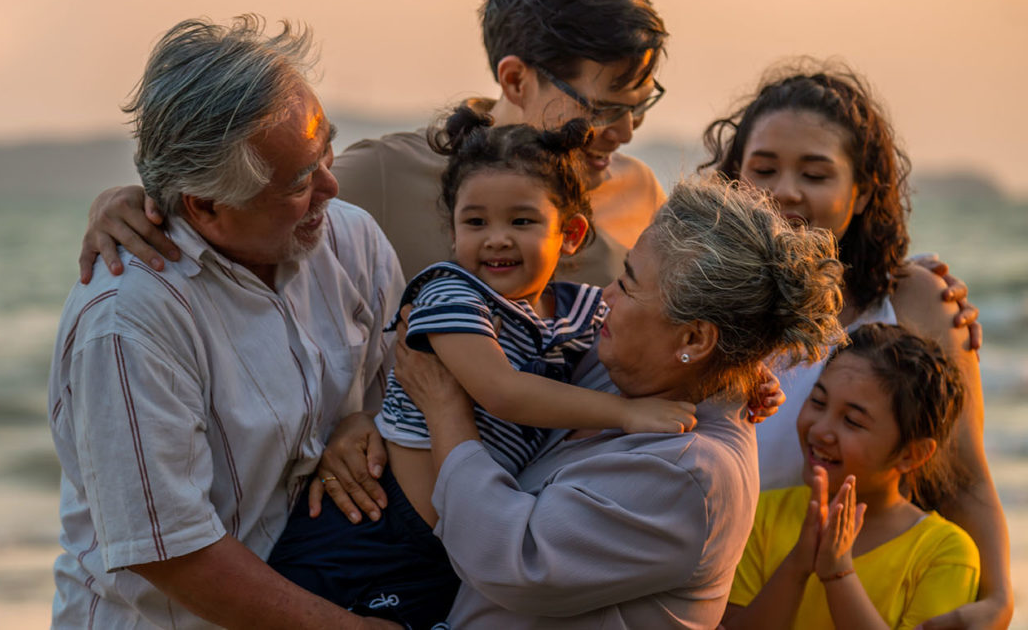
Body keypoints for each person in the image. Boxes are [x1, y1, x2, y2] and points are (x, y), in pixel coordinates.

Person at [263, 108, 694, 629]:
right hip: (376, 526)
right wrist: (627, 414)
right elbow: (500, 390)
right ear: (451, 232)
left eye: (522, 220)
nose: (496, 238)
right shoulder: (452, 295)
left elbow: (652, 329)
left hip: (450, 551)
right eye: (475, 222)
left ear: (573, 233)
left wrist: (741, 379)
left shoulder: (576, 310)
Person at [46, 15, 404, 629]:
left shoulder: (352, 239)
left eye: (325, 152)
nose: (330, 185)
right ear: (206, 206)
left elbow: (414, 394)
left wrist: (368, 422)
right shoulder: (128, 318)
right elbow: (172, 551)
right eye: (298, 181)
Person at [78, 0, 668, 288]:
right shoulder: (385, 175)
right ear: (514, 80)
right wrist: (131, 204)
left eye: (638, 109)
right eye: (602, 110)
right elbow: (237, 215)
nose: (623, 134)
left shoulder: (641, 195)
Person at [378, 176, 844, 626]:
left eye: (628, 284)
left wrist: (442, 409)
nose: (604, 297)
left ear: (695, 338)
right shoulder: (637, 371)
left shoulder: (688, 476)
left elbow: (513, 558)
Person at [705, 64, 1011, 627]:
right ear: (733, 179)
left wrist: (998, 601)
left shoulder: (916, 300)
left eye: (816, 174)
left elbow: (963, 475)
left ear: (863, 192)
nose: (785, 191)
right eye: (763, 168)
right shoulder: (701, 302)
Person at [723, 323, 978, 629]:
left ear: (912, 454)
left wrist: (838, 573)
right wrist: (797, 565)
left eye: (853, 421)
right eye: (818, 402)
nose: (820, 430)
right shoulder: (758, 515)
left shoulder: (944, 553)